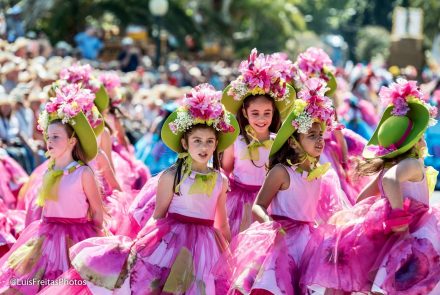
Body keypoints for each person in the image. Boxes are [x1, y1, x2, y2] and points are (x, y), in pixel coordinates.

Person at [39, 83, 239, 294]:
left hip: (206, 248)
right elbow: (159, 216)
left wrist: (227, 255)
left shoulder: (220, 180)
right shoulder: (172, 176)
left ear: (216, 144)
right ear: (185, 143)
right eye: (197, 141)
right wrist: (144, 246)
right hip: (174, 243)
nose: (204, 147)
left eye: (209, 141)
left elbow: (222, 222)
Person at [302, 79, 440, 294]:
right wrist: (399, 220)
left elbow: (362, 199)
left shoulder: (389, 165)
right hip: (414, 232)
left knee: (380, 283)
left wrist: (355, 219)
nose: (423, 140)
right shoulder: (411, 164)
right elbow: (390, 181)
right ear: (413, 143)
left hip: (394, 237)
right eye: (419, 136)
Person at [218, 77, 339, 294]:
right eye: (312, 135)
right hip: (257, 213)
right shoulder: (279, 170)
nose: (320, 140)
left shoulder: (317, 173)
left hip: (307, 237)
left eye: (321, 135)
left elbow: (318, 207)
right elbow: (230, 173)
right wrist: (269, 227)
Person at [0, 87, 103, 294]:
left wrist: (96, 239)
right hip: (46, 236)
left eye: (56, 137)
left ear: (72, 141)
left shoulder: (83, 172)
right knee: (28, 283)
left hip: (76, 237)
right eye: (48, 136)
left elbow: (97, 210)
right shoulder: (49, 171)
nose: (49, 141)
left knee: (69, 284)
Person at [221, 48, 295, 237]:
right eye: (255, 113)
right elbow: (226, 170)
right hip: (238, 202)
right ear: (245, 113)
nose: (261, 119)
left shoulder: (278, 142)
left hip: (268, 202)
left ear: (273, 113)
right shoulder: (235, 141)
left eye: (267, 113)